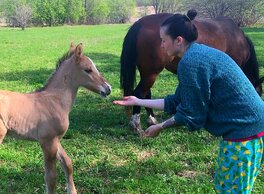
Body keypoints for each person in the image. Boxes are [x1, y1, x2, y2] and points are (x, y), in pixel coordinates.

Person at [113, 10, 264, 193]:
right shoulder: (196, 54)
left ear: (178, 40)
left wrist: (160, 126)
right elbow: (177, 101)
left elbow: (192, 114)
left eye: (163, 40)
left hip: (245, 135)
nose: (161, 45)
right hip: (251, 129)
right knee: (225, 186)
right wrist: (138, 101)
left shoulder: (190, 62)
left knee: (231, 190)